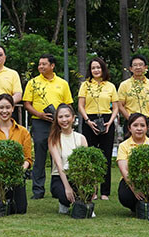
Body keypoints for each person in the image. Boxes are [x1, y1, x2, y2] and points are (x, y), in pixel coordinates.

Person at [22, 53, 72, 199]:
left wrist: (63, 118)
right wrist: (40, 114)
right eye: (39, 64)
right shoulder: (33, 83)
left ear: (52, 66)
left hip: (59, 123)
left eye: (44, 64)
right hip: (39, 122)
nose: (41, 67)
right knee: (40, 156)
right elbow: (27, 104)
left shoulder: (62, 83)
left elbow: (68, 104)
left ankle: (60, 187)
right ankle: (38, 190)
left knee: (61, 154)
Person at [77, 57, 118, 200]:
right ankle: (92, 190)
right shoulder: (85, 85)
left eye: (98, 67)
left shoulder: (111, 86)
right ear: (90, 70)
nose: (96, 70)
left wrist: (110, 122)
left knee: (106, 156)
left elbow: (116, 107)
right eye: (93, 68)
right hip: (90, 121)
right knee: (91, 157)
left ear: (103, 69)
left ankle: (105, 192)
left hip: (107, 120)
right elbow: (81, 105)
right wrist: (87, 121)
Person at [116, 113, 149, 214]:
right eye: (135, 125)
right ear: (129, 128)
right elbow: (124, 169)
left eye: (142, 125)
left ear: (147, 127)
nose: (139, 129)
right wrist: (134, 188)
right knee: (126, 197)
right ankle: (137, 208)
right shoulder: (123, 145)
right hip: (131, 180)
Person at [48, 104, 88, 214]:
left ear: (73, 118)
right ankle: (64, 202)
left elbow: (88, 165)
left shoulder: (81, 138)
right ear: (56, 119)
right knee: (66, 195)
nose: (64, 120)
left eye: (67, 116)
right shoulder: (53, 139)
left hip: (77, 176)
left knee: (85, 193)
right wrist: (67, 187)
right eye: (60, 117)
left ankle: (83, 203)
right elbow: (59, 165)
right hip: (59, 177)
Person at [117, 54, 149, 139]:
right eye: (135, 65)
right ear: (131, 68)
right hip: (131, 122)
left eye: (141, 65)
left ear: (146, 67)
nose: (138, 67)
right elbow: (120, 105)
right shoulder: (124, 85)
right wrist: (130, 120)